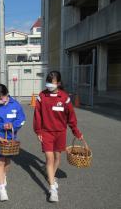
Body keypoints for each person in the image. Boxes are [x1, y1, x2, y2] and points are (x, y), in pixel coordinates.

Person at [33, 71, 84, 202]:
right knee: (49, 158)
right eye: (48, 81)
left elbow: (71, 118)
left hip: (60, 133)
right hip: (46, 132)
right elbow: (37, 115)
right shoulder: (41, 96)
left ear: (59, 83)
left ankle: (51, 175)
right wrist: (38, 131)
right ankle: (52, 189)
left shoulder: (65, 98)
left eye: (52, 82)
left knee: (57, 157)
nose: (49, 84)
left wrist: (76, 132)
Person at [0, 84, 26, 201]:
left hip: (11, 138)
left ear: (6, 94)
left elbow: (22, 119)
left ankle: (3, 176)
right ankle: (2, 189)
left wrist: (13, 125)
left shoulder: (15, 105)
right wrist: (1, 126)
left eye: (1, 97)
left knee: (7, 161)